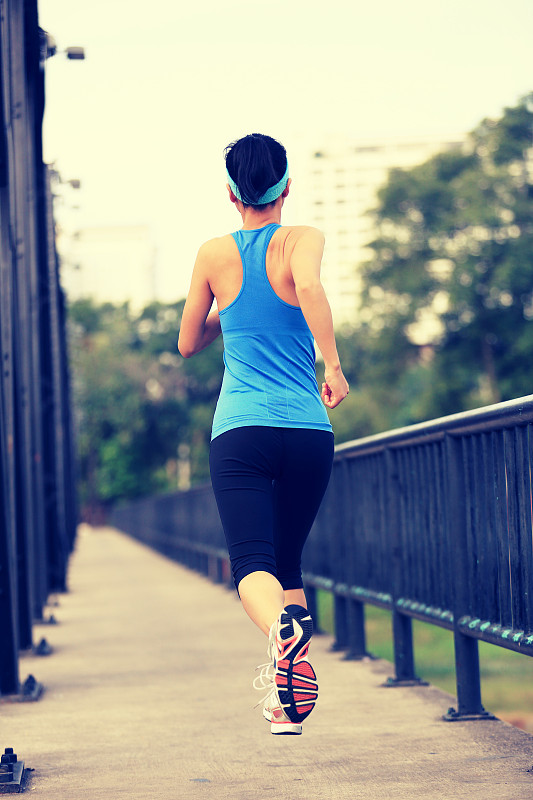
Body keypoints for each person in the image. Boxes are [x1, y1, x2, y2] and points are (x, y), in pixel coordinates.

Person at [178, 133, 349, 735]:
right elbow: (305, 286)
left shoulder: (212, 254)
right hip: (306, 431)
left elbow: (188, 341)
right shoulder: (303, 239)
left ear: (232, 193)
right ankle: (288, 707)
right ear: (287, 185)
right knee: (289, 561)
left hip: (241, 432)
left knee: (253, 563)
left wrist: (232, 304)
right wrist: (331, 365)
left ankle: (283, 635)